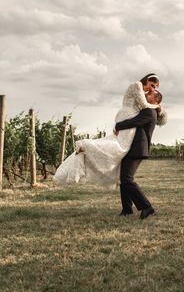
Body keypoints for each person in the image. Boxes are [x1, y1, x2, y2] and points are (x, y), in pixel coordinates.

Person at [53, 73, 167, 189]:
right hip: (127, 116)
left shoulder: (146, 104)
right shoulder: (137, 85)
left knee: (121, 148)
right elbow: (144, 105)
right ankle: (88, 146)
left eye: (154, 88)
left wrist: (158, 108)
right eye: (152, 85)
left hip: (129, 118)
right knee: (119, 146)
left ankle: (117, 176)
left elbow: (147, 110)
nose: (151, 89)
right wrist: (158, 107)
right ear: (147, 80)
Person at [115, 89, 162, 219]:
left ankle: (147, 207)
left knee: (126, 179)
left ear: (155, 99)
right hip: (132, 147)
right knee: (123, 179)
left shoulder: (149, 111)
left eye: (150, 94)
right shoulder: (147, 110)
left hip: (137, 148)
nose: (146, 94)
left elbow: (134, 121)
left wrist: (118, 125)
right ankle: (127, 209)